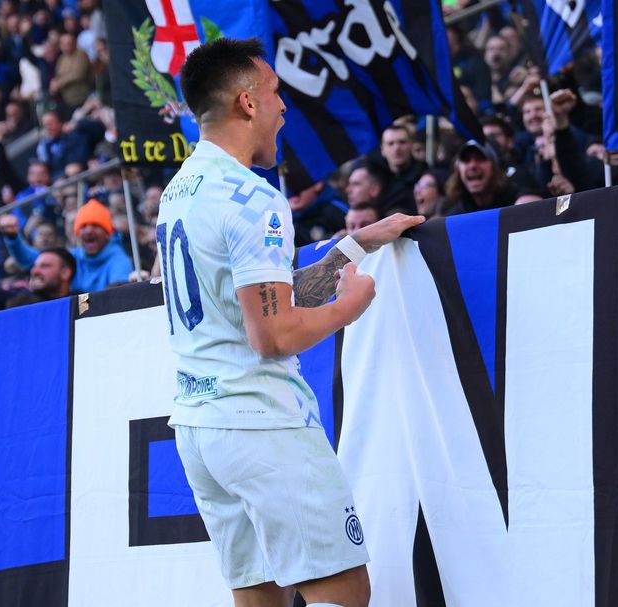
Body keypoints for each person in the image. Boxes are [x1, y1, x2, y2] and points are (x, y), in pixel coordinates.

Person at [161, 38, 424, 607]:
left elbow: (258, 303)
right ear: (247, 102)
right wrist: (351, 305)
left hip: (201, 428)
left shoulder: (180, 189)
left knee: (259, 597)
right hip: (261, 422)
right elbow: (274, 335)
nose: (283, 106)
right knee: (343, 590)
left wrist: (352, 247)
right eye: (276, 92)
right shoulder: (252, 197)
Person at [0, 197, 131, 293]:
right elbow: (32, 260)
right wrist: (12, 236)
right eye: (83, 226)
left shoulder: (119, 260)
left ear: (107, 234)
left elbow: (117, 294)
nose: (89, 230)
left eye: (96, 226)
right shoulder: (73, 256)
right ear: (77, 233)